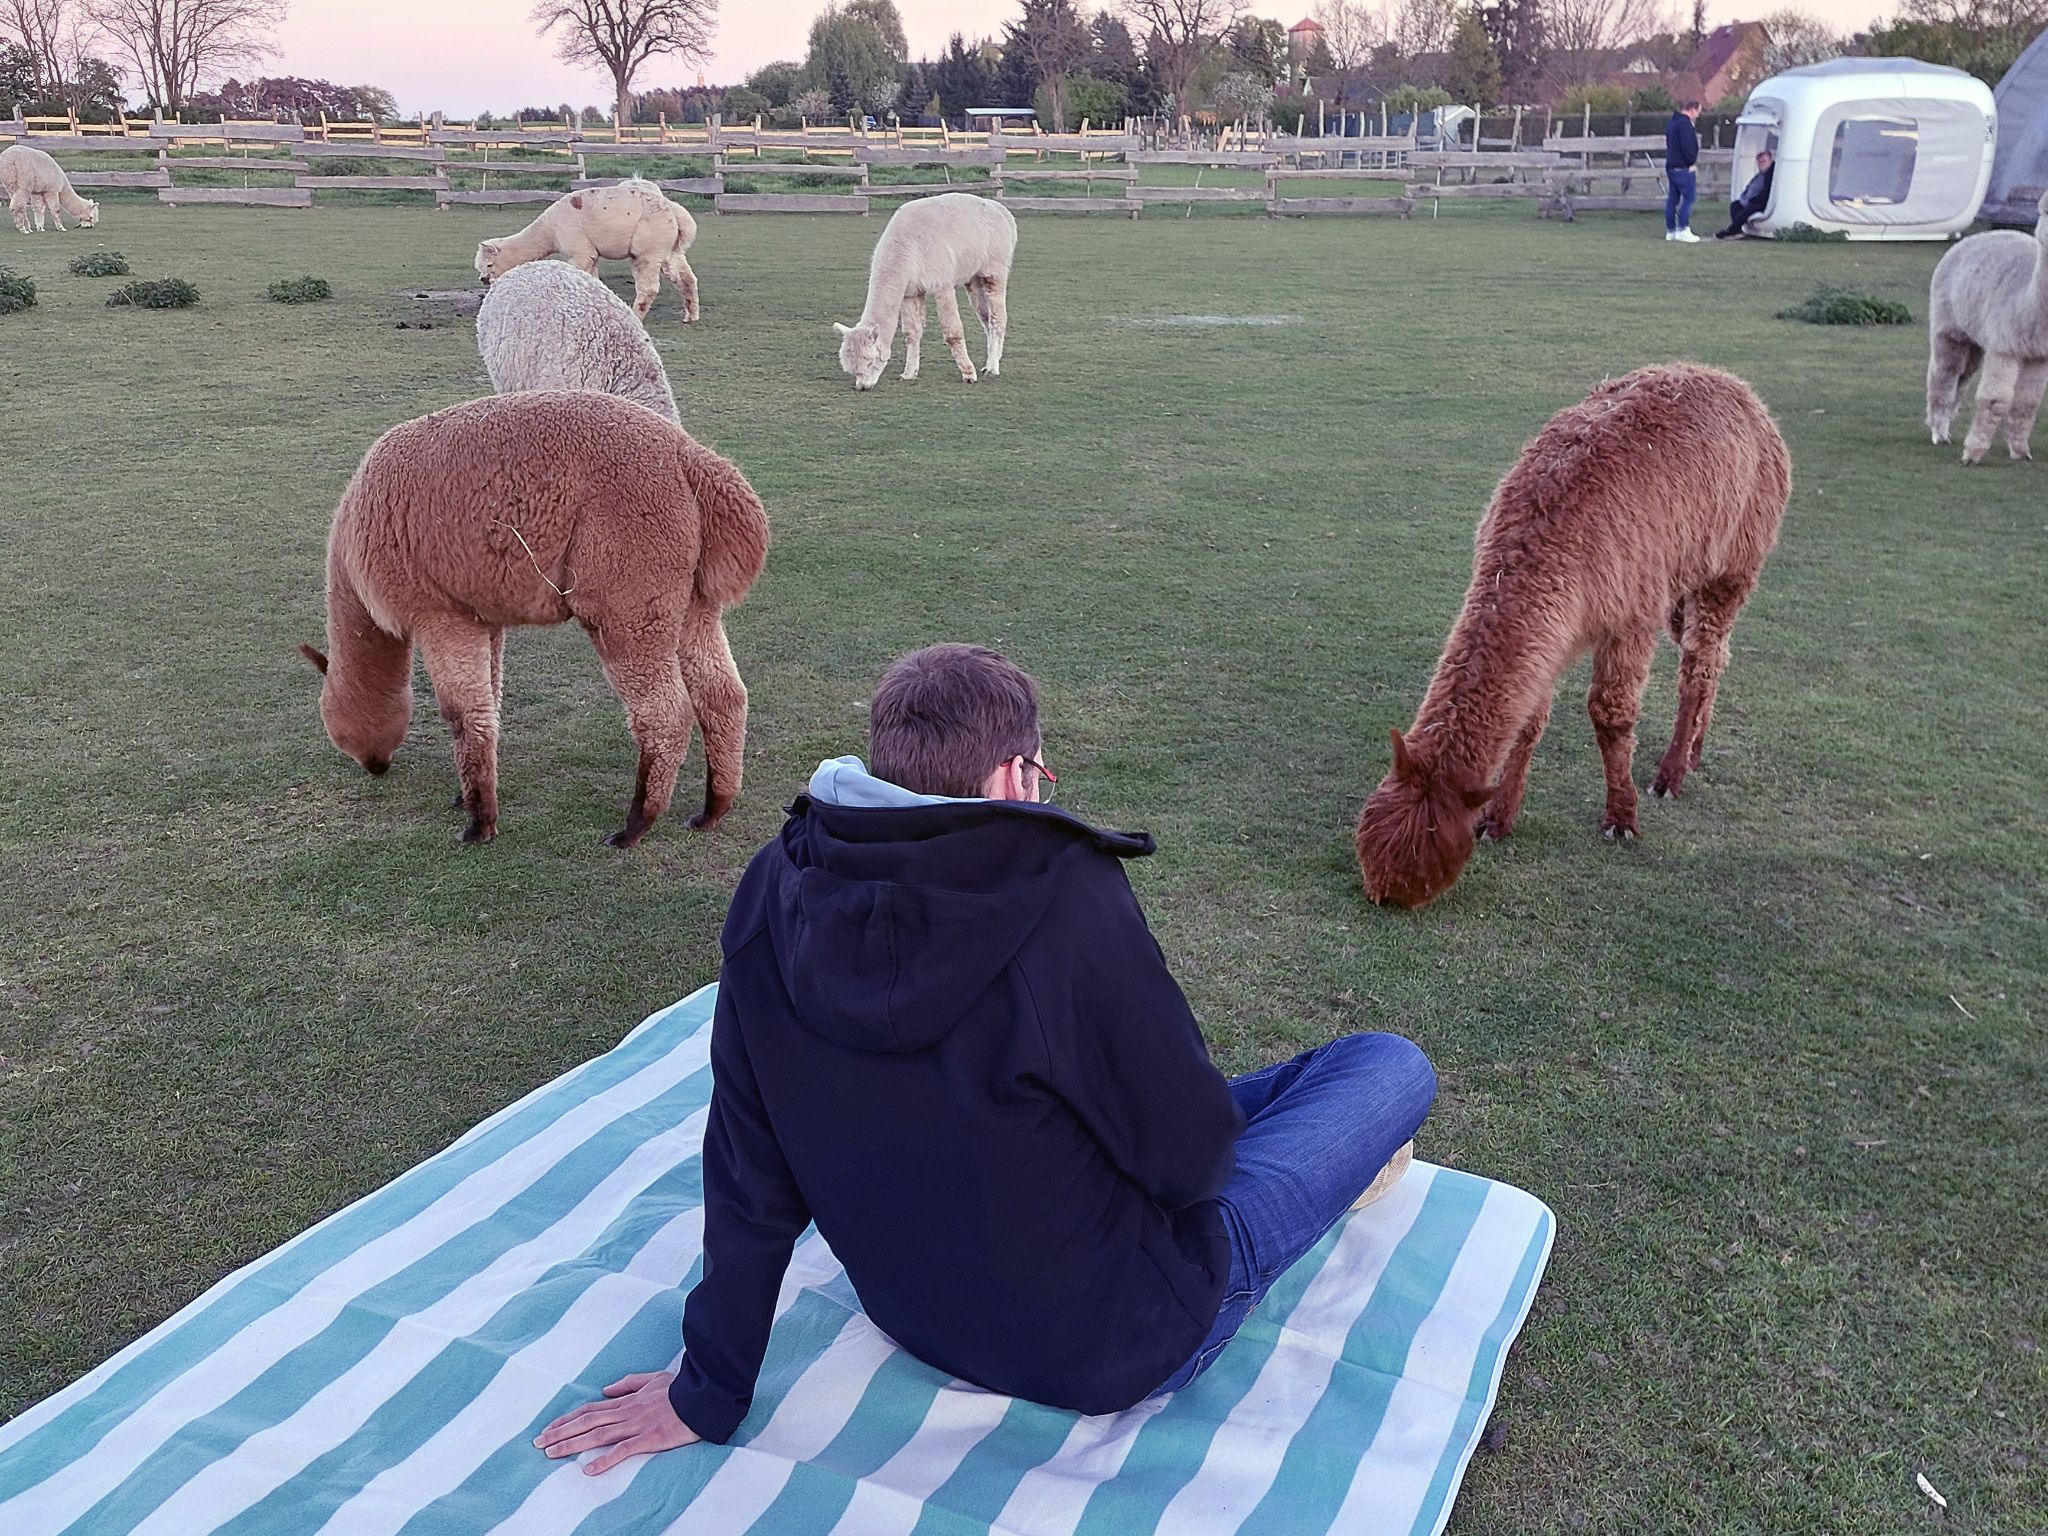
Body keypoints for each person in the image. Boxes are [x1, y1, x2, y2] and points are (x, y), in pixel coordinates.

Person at [534, 644, 1437, 1471]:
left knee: (1193, 1097)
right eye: (1042, 774)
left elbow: (748, 1167)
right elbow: (1191, 1162)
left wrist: (710, 1387)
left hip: (916, 1313)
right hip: (1121, 1335)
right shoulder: (1061, 893)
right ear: (1013, 772)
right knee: (1384, 1064)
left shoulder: (778, 881)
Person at [1665, 99, 1702, 244]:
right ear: (1692, 110)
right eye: (1698, 112)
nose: (1698, 116)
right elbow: (1687, 146)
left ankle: (1671, 230)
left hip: (1671, 166)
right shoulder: (1685, 125)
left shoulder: (1672, 123)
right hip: (1683, 167)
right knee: (1689, 198)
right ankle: (1683, 229)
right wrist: (1691, 162)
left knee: (1672, 199)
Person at [1716, 148, 1775, 240]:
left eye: (1764, 161)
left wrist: (1753, 200)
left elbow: (1767, 191)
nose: (1761, 164)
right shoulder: (1759, 175)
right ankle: (1738, 229)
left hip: (1763, 201)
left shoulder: (1771, 175)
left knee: (1745, 212)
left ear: (1770, 161)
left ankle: (1731, 231)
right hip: (1753, 200)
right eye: (1759, 162)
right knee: (1735, 205)